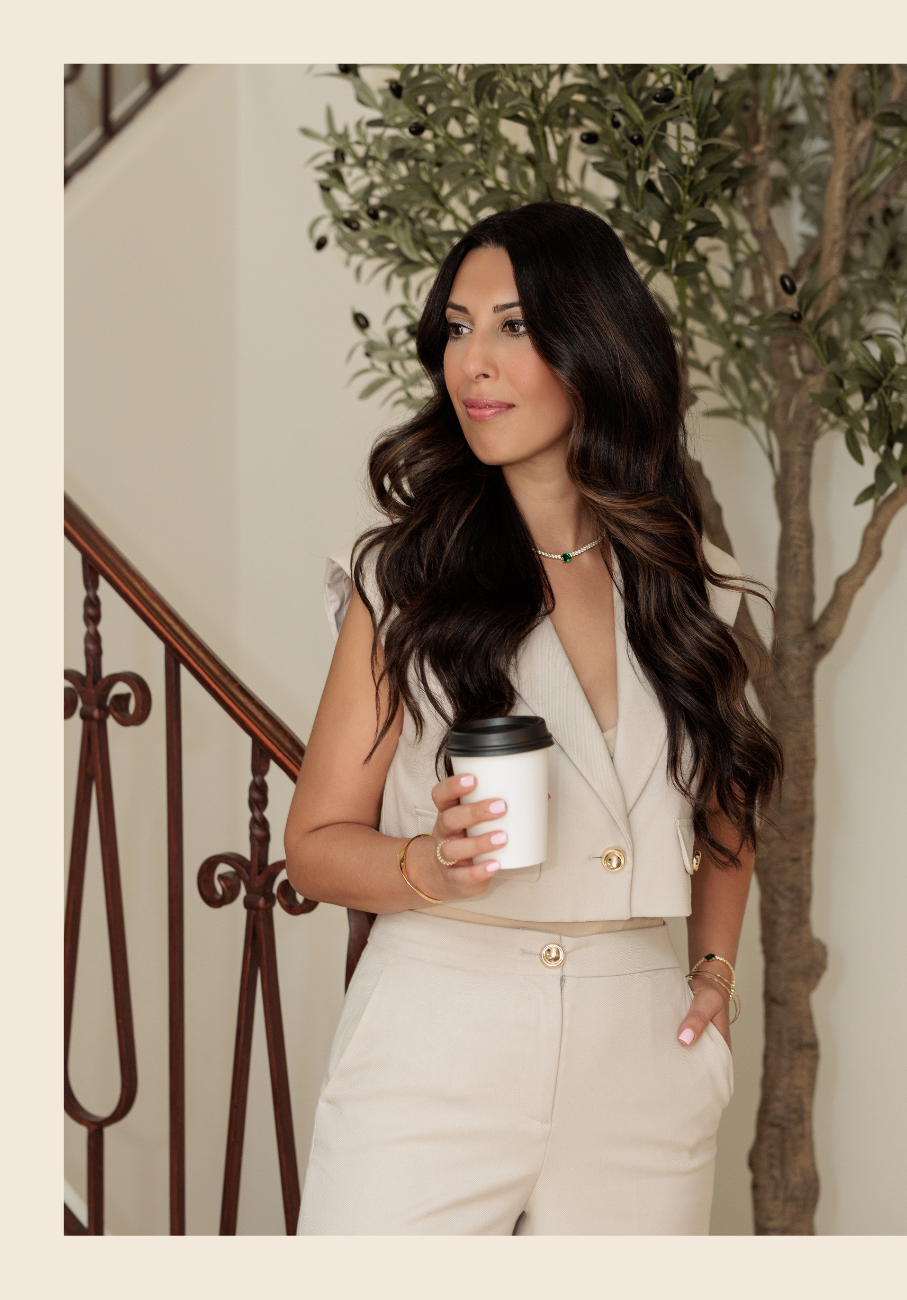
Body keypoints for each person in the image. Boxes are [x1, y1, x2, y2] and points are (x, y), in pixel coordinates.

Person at [285, 201, 781, 1236]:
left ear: (595, 343)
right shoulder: (405, 576)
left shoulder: (697, 586)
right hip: (435, 1036)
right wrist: (427, 861)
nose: (474, 361)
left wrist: (712, 974)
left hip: (642, 1055)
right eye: (457, 328)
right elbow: (316, 847)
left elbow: (727, 805)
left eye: (513, 326)